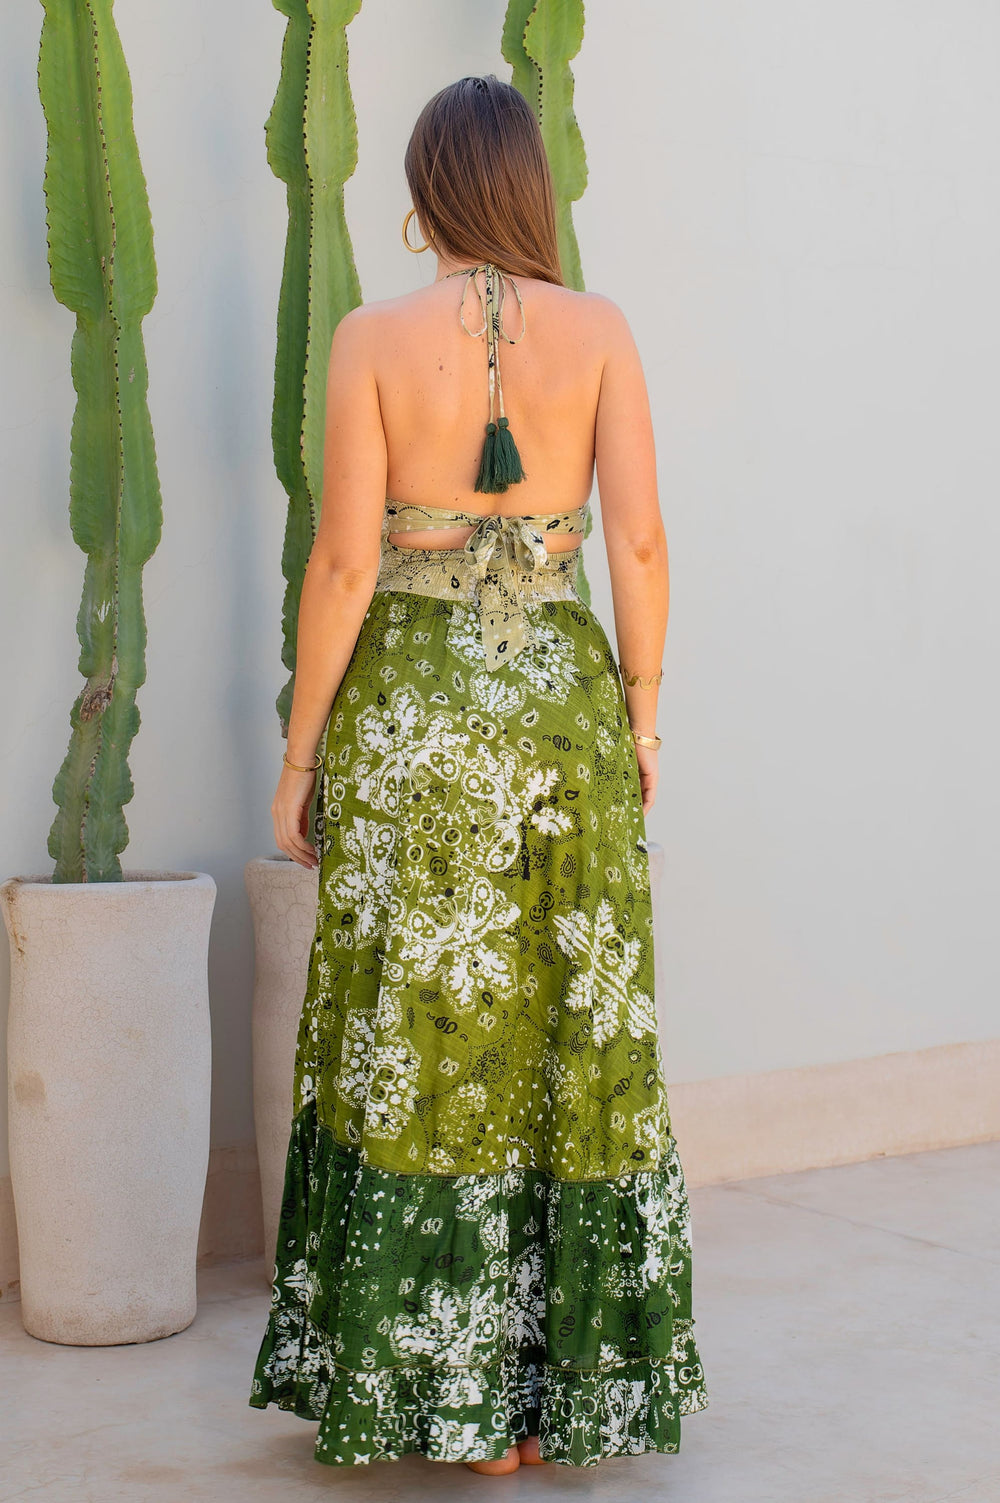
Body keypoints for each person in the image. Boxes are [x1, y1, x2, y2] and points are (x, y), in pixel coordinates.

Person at [248, 72, 708, 1473]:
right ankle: (552, 1398)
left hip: (414, 722)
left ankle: (440, 1400)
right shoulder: (601, 329)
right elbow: (638, 545)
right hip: (563, 717)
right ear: (529, 188)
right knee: (568, 1036)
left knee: (424, 1036)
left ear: (424, 194)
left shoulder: (370, 338)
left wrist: (299, 757)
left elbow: (343, 564)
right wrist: (640, 720)